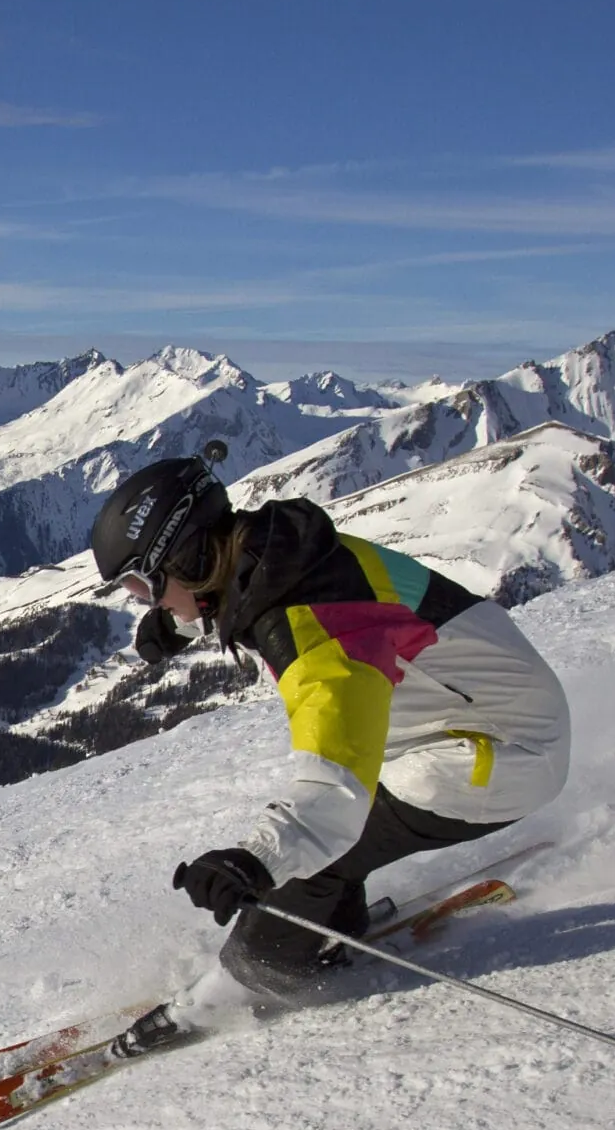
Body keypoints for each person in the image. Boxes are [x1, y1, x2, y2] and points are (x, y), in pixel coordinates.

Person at [87, 444, 572, 1055]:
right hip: (476, 720)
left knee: (311, 852)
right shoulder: (279, 552)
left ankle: (243, 984)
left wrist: (255, 861)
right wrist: (184, 621)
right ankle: (328, 927)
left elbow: (332, 790)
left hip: (502, 751)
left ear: (187, 557)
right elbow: (242, 580)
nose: (143, 600)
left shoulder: (318, 632)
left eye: (145, 585)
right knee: (335, 835)